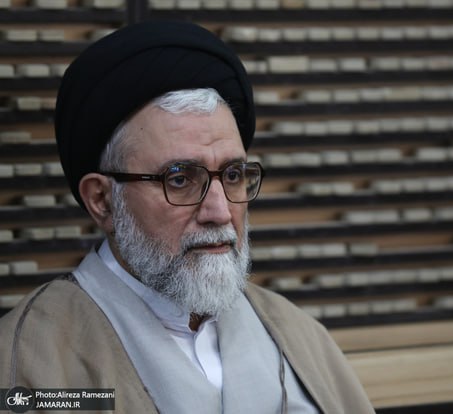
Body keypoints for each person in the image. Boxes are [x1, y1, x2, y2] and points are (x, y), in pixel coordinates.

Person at [0, 20, 375, 413]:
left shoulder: (299, 336)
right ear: (103, 201)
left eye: (232, 175)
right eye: (179, 179)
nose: (220, 212)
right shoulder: (28, 362)